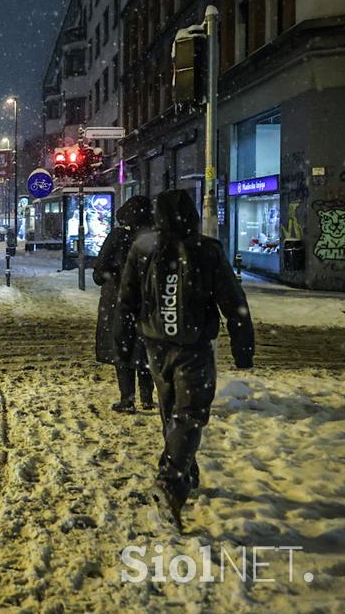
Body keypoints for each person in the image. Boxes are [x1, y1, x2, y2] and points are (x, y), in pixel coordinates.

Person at [116, 189, 254, 531]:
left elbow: (126, 301)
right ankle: (171, 482)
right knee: (190, 414)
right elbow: (233, 301)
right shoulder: (207, 250)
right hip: (193, 346)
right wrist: (243, 347)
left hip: (155, 345)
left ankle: (184, 470)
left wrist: (122, 345)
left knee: (171, 410)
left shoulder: (143, 248)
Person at [93, 195, 155, 413]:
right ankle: (147, 398)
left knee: (123, 348)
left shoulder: (118, 237)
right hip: (148, 303)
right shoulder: (154, 238)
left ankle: (127, 399)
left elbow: (99, 272)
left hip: (118, 302)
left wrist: (111, 275)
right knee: (145, 347)